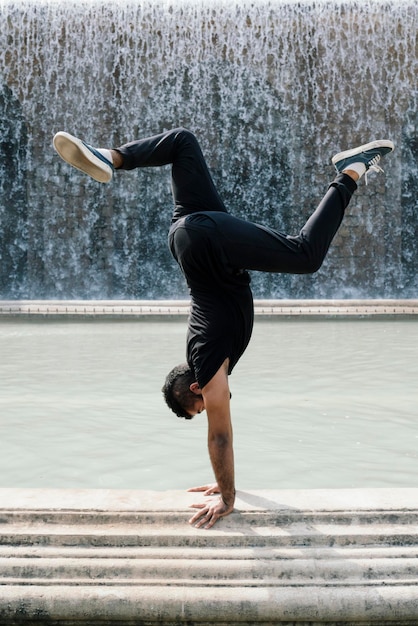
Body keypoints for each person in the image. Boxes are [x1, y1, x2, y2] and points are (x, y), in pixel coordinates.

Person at [53, 127, 394, 529]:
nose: (215, 407)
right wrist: (220, 480)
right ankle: (112, 157)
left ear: (196, 389)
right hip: (187, 231)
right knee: (182, 142)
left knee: (305, 254)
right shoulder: (204, 348)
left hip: (205, 241)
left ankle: (348, 171)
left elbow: (220, 438)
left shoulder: (208, 360)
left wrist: (228, 499)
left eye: (203, 407)